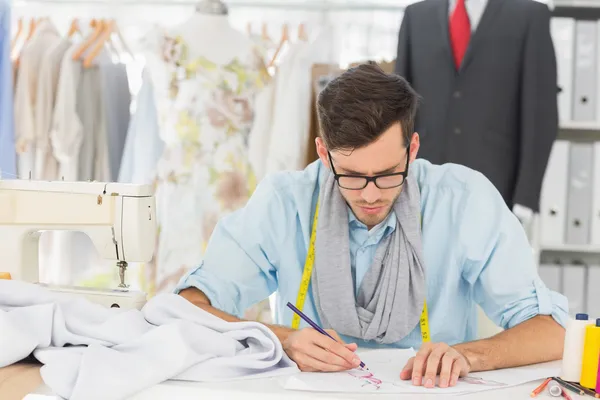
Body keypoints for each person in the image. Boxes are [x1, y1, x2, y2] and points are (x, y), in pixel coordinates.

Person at [175, 62, 568, 389]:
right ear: (323, 153)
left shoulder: (463, 200)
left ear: (412, 149)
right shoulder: (284, 201)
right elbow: (190, 306)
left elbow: (554, 331)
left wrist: (467, 354)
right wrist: (282, 340)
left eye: (387, 174)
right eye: (350, 175)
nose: (369, 195)